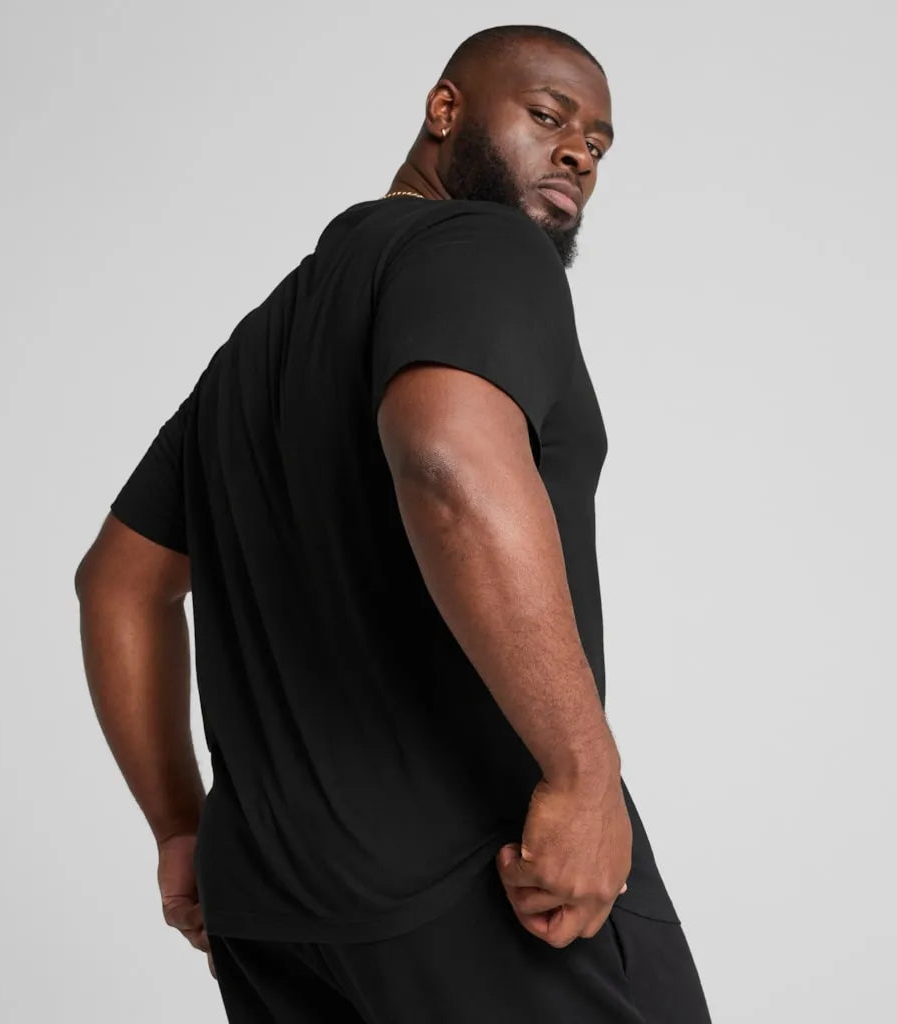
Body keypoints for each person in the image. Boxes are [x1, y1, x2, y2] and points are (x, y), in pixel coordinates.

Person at [75, 22, 713, 1023]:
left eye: (597, 142)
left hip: (273, 907)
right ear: (444, 110)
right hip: (492, 878)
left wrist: (181, 828)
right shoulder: (481, 243)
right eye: (548, 117)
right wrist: (583, 773)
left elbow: (117, 580)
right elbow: (447, 461)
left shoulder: (259, 347)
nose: (579, 154)